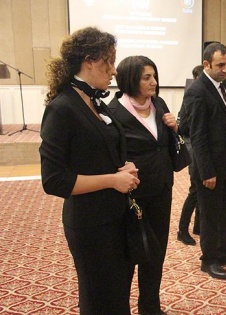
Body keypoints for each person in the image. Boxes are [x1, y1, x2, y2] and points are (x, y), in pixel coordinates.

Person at [39, 27, 139, 314]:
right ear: (89, 61)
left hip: (115, 216)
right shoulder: (63, 108)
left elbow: (102, 151)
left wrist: (126, 167)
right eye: (108, 60)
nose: (114, 69)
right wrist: (112, 179)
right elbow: (54, 180)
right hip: (90, 223)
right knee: (98, 299)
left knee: (118, 294)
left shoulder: (96, 101)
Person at [107, 55, 176, 315]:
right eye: (147, 77)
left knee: (156, 253)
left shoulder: (159, 104)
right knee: (128, 256)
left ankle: (150, 307)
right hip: (131, 196)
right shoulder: (113, 112)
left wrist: (174, 126)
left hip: (161, 192)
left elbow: (165, 144)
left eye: (154, 76)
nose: (154, 82)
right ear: (129, 79)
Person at [180, 42, 226, 280]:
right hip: (209, 168)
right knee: (210, 215)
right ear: (206, 64)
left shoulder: (222, 84)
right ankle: (209, 260)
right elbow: (197, 135)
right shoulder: (197, 91)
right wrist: (207, 171)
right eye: (220, 65)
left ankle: (225, 251)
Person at [177, 65, 204, 246]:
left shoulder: (200, 93)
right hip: (192, 143)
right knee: (195, 189)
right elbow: (184, 125)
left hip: (198, 144)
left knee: (202, 188)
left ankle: (198, 226)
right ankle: (182, 230)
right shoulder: (193, 95)